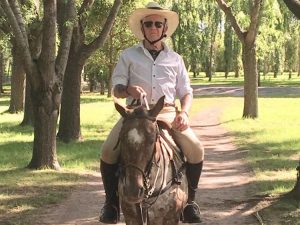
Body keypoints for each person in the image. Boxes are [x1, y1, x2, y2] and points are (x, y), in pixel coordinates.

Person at [99, 2, 204, 224]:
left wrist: (184, 113)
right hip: (134, 115)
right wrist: (128, 89)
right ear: (143, 27)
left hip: (165, 113)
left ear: (165, 28)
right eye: (149, 24)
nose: (153, 27)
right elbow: (116, 88)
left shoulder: (176, 59)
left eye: (158, 23)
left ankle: (189, 204)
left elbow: (186, 92)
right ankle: (111, 204)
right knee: (108, 151)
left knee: (196, 150)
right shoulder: (128, 55)